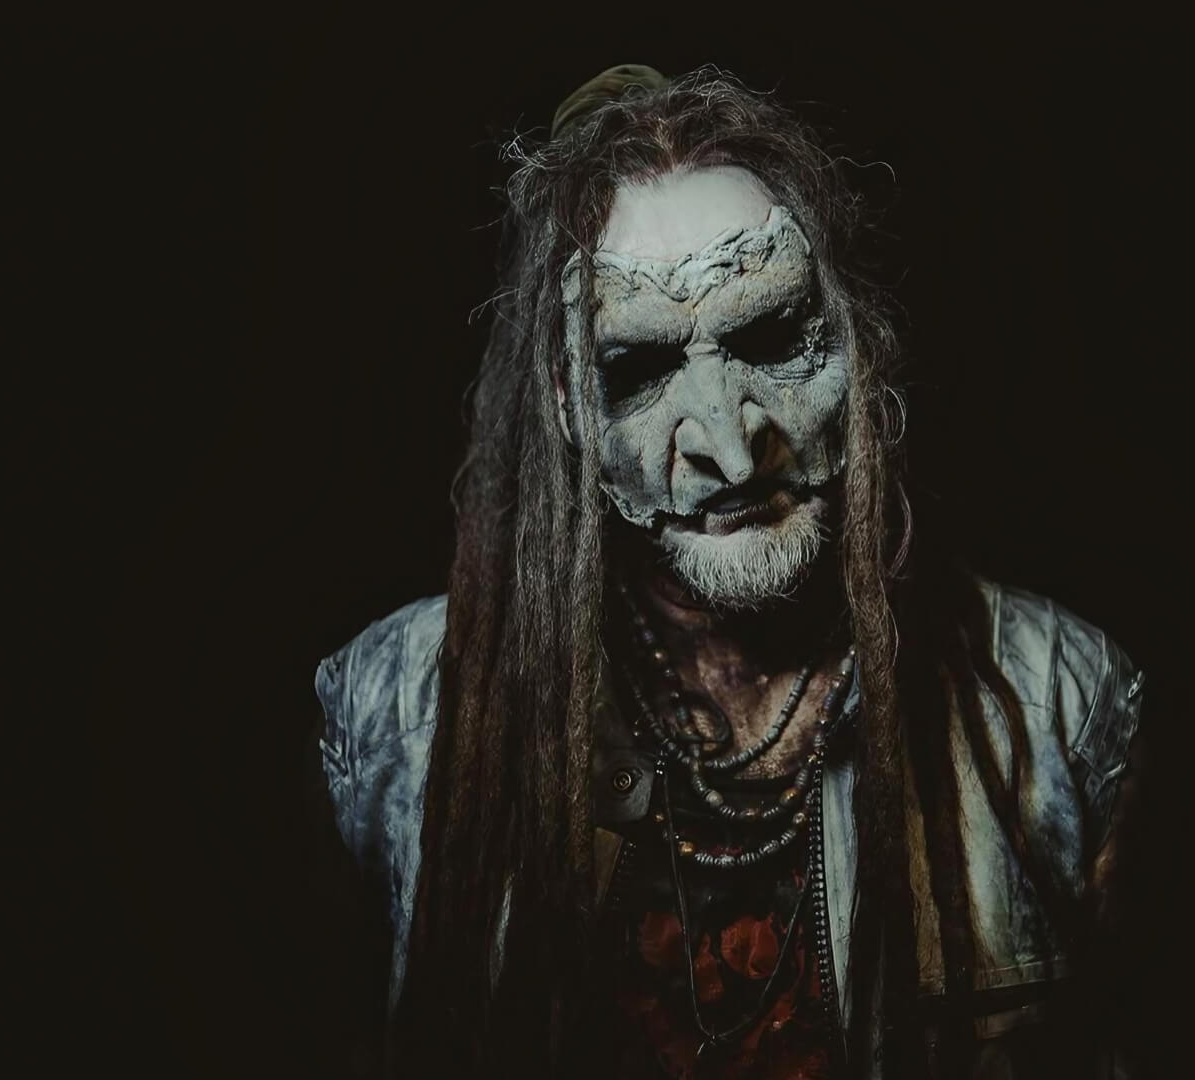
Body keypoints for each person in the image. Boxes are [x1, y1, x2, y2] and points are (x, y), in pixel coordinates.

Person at [313, 64, 1146, 1079]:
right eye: (639, 369)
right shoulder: (395, 713)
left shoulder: (1059, 698)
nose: (733, 447)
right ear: (568, 410)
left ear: (858, 344)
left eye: (769, 335)